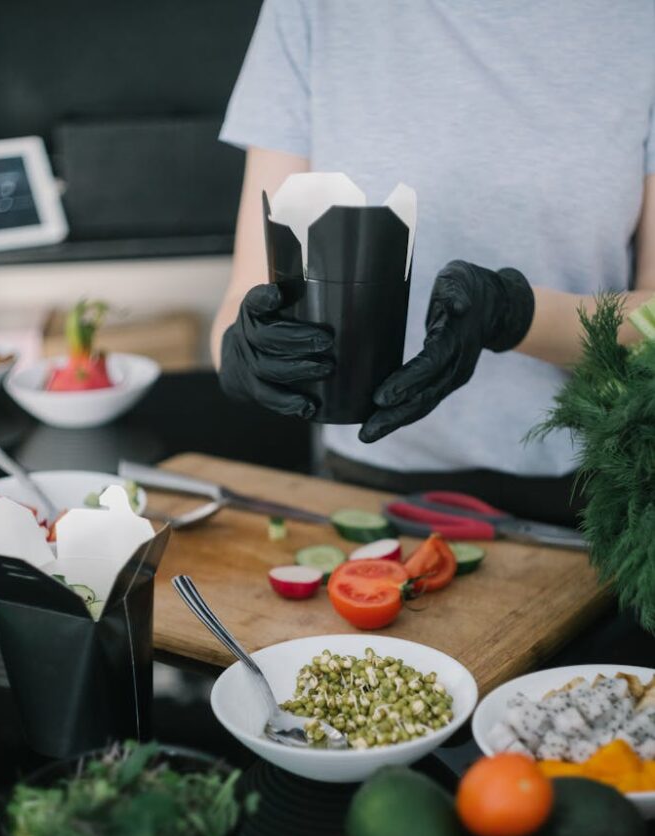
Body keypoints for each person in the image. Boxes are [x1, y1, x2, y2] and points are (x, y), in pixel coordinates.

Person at [211, 0, 655, 524]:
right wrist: (243, 353)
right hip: (371, 483)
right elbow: (248, 293)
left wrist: (516, 315)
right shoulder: (312, 9)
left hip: (595, 492)